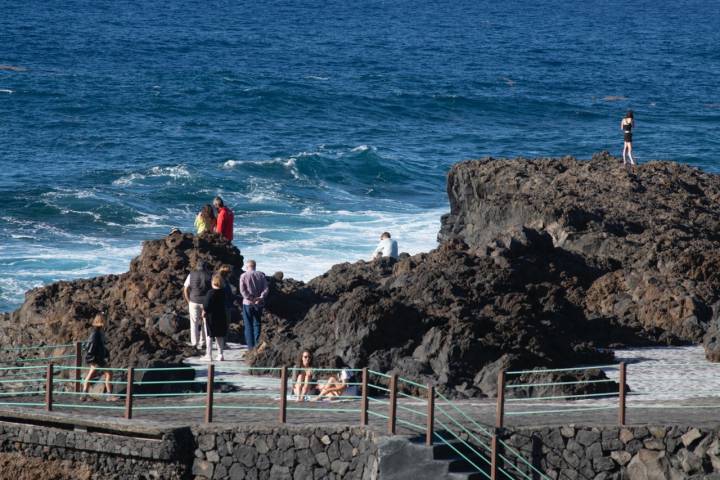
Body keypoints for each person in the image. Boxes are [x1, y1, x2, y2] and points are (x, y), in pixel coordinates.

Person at [239, 259, 268, 350]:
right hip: (258, 303)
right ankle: (256, 345)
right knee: (257, 324)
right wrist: (261, 297)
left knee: (248, 325)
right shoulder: (261, 275)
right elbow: (266, 288)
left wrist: (250, 298)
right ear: (255, 266)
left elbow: (242, 290)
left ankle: (250, 347)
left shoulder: (243, 276)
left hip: (248, 303)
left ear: (247, 266)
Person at [81, 314, 112, 399]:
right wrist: (93, 358)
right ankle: (109, 395)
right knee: (108, 373)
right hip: (96, 358)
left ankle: (84, 394)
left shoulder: (99, 331)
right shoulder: (96, 332)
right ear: (101, 321)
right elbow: (92, 346)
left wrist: (105, 353)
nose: (106, 321)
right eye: (104, 320)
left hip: (97, 358)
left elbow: (99, 346)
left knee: (93, 374)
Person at [183, 260, 212, 349]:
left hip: (193, 300)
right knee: (205, 323)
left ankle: (194, 343)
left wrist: (188, 300)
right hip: (206, 302)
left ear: (197, 266)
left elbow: (185, 288)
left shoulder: (191, 274)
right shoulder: (210, 275)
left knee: (194, 322)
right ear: (205, 267)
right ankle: (203, 342)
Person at [202, 274, 229, 362]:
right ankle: (220, 354)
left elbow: (206, 305)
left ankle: (209, 355)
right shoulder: (224, 292)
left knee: (209, 335)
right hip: (221, 315)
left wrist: (204, 311)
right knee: (220, 335)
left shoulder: (211, 292)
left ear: (213, 282)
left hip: (211, 316)